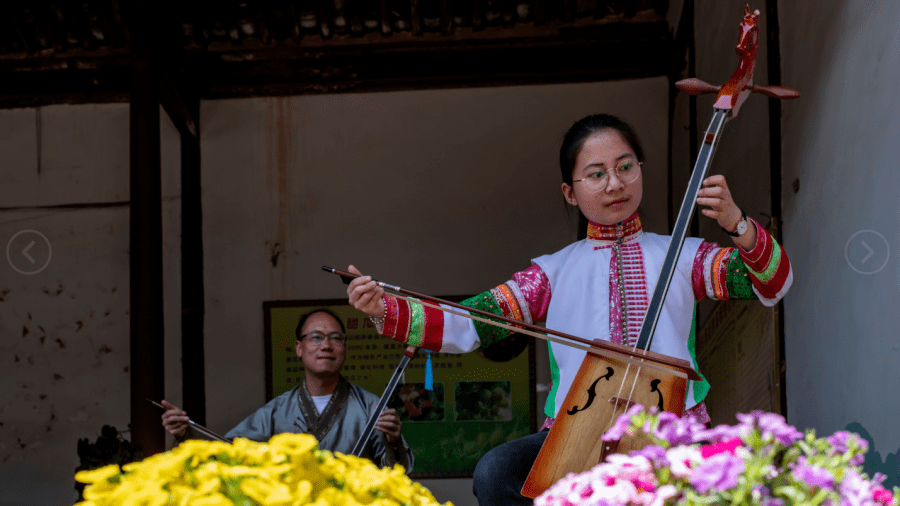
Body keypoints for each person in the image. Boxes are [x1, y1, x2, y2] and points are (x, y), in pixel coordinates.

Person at [346, 113, 792, 504]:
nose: (615, 183)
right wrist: (384, 309)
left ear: (641, 170)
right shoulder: (550, 274)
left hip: (671, 430)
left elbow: (771, 283)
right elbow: (474, 323)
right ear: (570, 192)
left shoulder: (685, 255)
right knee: (496, 472)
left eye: (625, 167)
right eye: (595, 174)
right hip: (576, 433)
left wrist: (737, 224)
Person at [161, 308, 414, 471]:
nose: (326, 345)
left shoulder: (371, 407)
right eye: (316, 337)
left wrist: (393, 441)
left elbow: (400, 474)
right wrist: (186, 434)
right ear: (298, 348)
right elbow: (228, 453)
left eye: (336, 338)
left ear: (344, 348)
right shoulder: (276, 412)